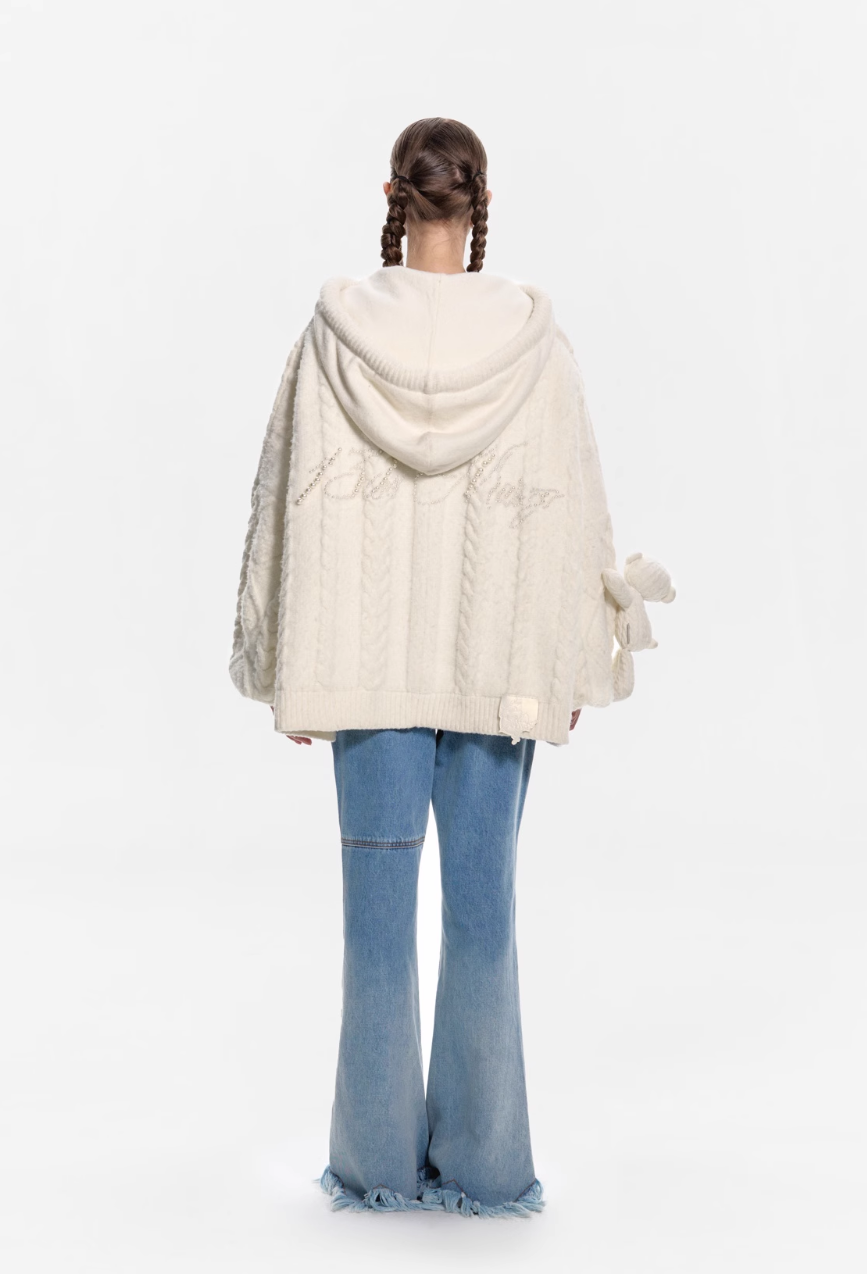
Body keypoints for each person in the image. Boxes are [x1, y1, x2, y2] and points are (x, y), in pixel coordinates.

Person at [229, 117, 674, 1218]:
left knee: (374, 923)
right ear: (480, 203)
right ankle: (485, 1167)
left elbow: (284, 497)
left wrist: (292, 665)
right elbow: (571, 511)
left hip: (364, 671)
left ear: (392, 196)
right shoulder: (536, 347)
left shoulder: (332, 337)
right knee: (485, 916)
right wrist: (573, 659)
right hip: (498, 668)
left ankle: (375, 1168)